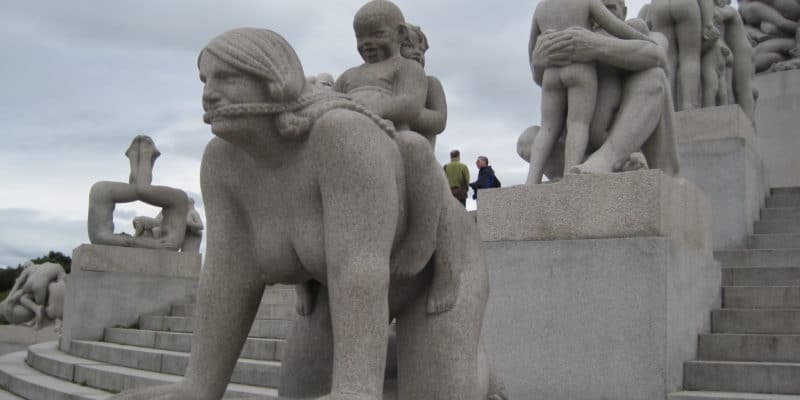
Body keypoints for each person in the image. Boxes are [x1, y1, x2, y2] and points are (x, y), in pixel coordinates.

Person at [528, 0, 680, 179]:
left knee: (654, 77)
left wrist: (595, 46)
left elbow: (658, 55)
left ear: (623, 12)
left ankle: (609, 159)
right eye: (601, 8)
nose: (603, 16)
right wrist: (539, 61)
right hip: (582, 147)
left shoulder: (643, 33)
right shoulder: (574, 38)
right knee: (528, 139)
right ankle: (576, 171)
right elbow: (543, 80)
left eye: (610, 8)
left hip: (623, 143)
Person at [400, 23, 448, 149]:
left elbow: (439, 121)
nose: (417, 53)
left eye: (421, 50)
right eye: (408, 46)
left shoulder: (431, 84)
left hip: (418, 154)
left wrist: (401, 111)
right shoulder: (386, 82)